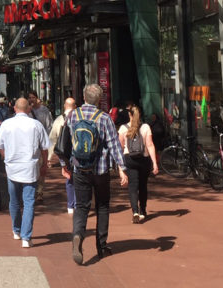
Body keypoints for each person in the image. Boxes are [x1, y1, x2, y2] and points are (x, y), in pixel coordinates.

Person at [60, 83, 127, 265]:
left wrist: (64, 164)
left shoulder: (73, 115)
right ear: (99, 100)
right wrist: (122, 168)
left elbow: (64, 142)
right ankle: (101, 246)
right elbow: (114, 145)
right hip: (100, 170)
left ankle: (78, 236)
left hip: (79, 168)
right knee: (103, 206)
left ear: (83, 97)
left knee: (81, 206)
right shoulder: (104, 118)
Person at [0, 97, 50, 248]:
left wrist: (6, 156)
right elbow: (45, 148)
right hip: (30, 167)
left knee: (14, 200)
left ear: (15, 108)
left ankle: (16, 230)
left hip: (12, 167)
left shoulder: (6, 124)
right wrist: (44, 163)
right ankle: (26, 236)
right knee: (29, 201)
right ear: (29, 109)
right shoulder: (36, 125)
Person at [118, 102, 159, 223]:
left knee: (132, 186)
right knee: (143, 186)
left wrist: (120, 167)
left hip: (129, 159)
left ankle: (135, 211)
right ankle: (143, 210)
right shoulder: (145, 127)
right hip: (144, 159)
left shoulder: (123, 128)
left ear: (129, 115)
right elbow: (150, 145)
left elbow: (120, 147)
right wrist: (155, 163)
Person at [49, 98, 76, 214]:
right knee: (79, 178)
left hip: (63, 154)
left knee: (69, 177)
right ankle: (78, 202)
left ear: (65, 106)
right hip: (77, 152)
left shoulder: (58, 120)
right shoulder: (79, 118)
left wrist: (49, 158)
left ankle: (71, 205)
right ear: (75, 106)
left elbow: (52, 139)